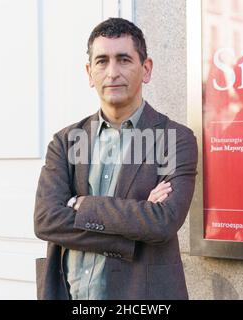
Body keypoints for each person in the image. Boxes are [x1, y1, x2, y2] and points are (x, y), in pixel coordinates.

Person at [34, 18, 197, 300]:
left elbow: (163, 222)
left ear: (146, 69)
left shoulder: (176, 138)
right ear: (89, 73)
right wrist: (137, 217)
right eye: (102, 61)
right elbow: (47, 220)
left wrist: (80, 205)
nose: (112, 72)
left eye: (123, 60)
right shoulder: (65, 140)